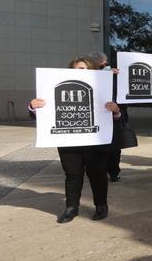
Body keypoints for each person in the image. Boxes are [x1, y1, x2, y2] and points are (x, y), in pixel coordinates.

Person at [29, 57, 122, 223]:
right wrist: (33, 107)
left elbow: (116, 118)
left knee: (97, 174)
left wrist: (115, 111)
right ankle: (71, 208)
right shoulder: (53, 85)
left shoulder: (103, 87)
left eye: (84, 69)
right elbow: (47, 113)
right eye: (77, 69)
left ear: (92, 69)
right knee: (72, 175)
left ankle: (101, 206)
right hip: (68, 140)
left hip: (95, 140)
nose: (81, 72)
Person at [89, 51, 126, 182]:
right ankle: (100, 171)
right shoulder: (88, 74)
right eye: (102, 63)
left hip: (114, 114)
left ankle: (114, 171)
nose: (105, 64)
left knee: (115, 147)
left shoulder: (114, 74)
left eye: (105, 62)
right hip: (95, 116)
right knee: (98, 146)